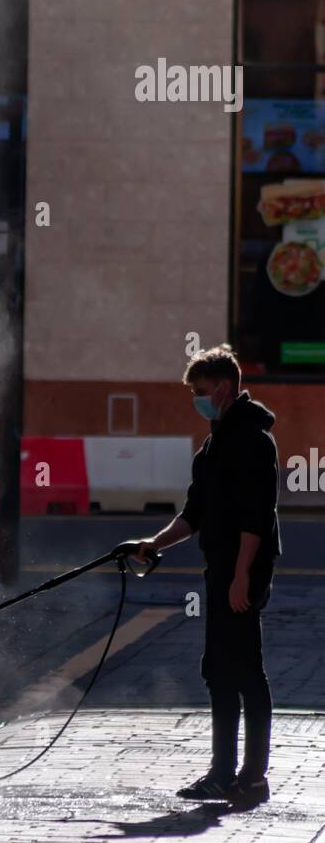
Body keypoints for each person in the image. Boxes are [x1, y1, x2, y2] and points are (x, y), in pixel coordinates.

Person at [129, 344, 280, 808]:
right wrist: (152, 544)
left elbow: (257, 516)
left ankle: (250, 777)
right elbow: (194, 514)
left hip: (242, 571)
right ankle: (223, 771)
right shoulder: (213, 445)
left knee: (246, 672)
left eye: (200, 391)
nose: (195, 399)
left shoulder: (254, 439)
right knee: (219, 670)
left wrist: (240, 577)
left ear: (224, 387)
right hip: (221, 568)